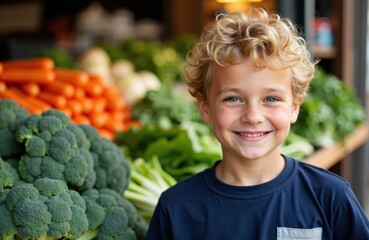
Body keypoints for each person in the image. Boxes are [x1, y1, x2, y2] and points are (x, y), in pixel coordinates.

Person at [146, 7, 369, 240]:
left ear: (294, 107)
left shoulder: (330, 197)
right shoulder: (176, 208)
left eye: (271, 99)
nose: (253, 116)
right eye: (233, 99)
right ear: (205, 107)